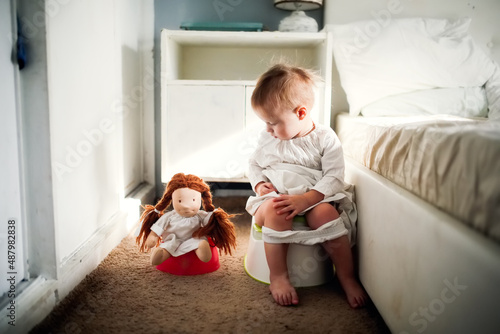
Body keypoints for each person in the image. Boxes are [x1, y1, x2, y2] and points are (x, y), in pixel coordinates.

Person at [245, 63, 367, 308]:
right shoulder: (267, 137)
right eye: (265, 123)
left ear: (301, 113)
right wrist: (259, 185)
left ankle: (346, 276)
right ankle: (278, 276)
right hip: (275, 198)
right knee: (277, 211)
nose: (267, 130)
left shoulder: (325, 138)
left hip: (314, 197)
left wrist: (308, 199)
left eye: (272, 122)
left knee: (328, 216)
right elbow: (254, 164)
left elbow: (333, 176)